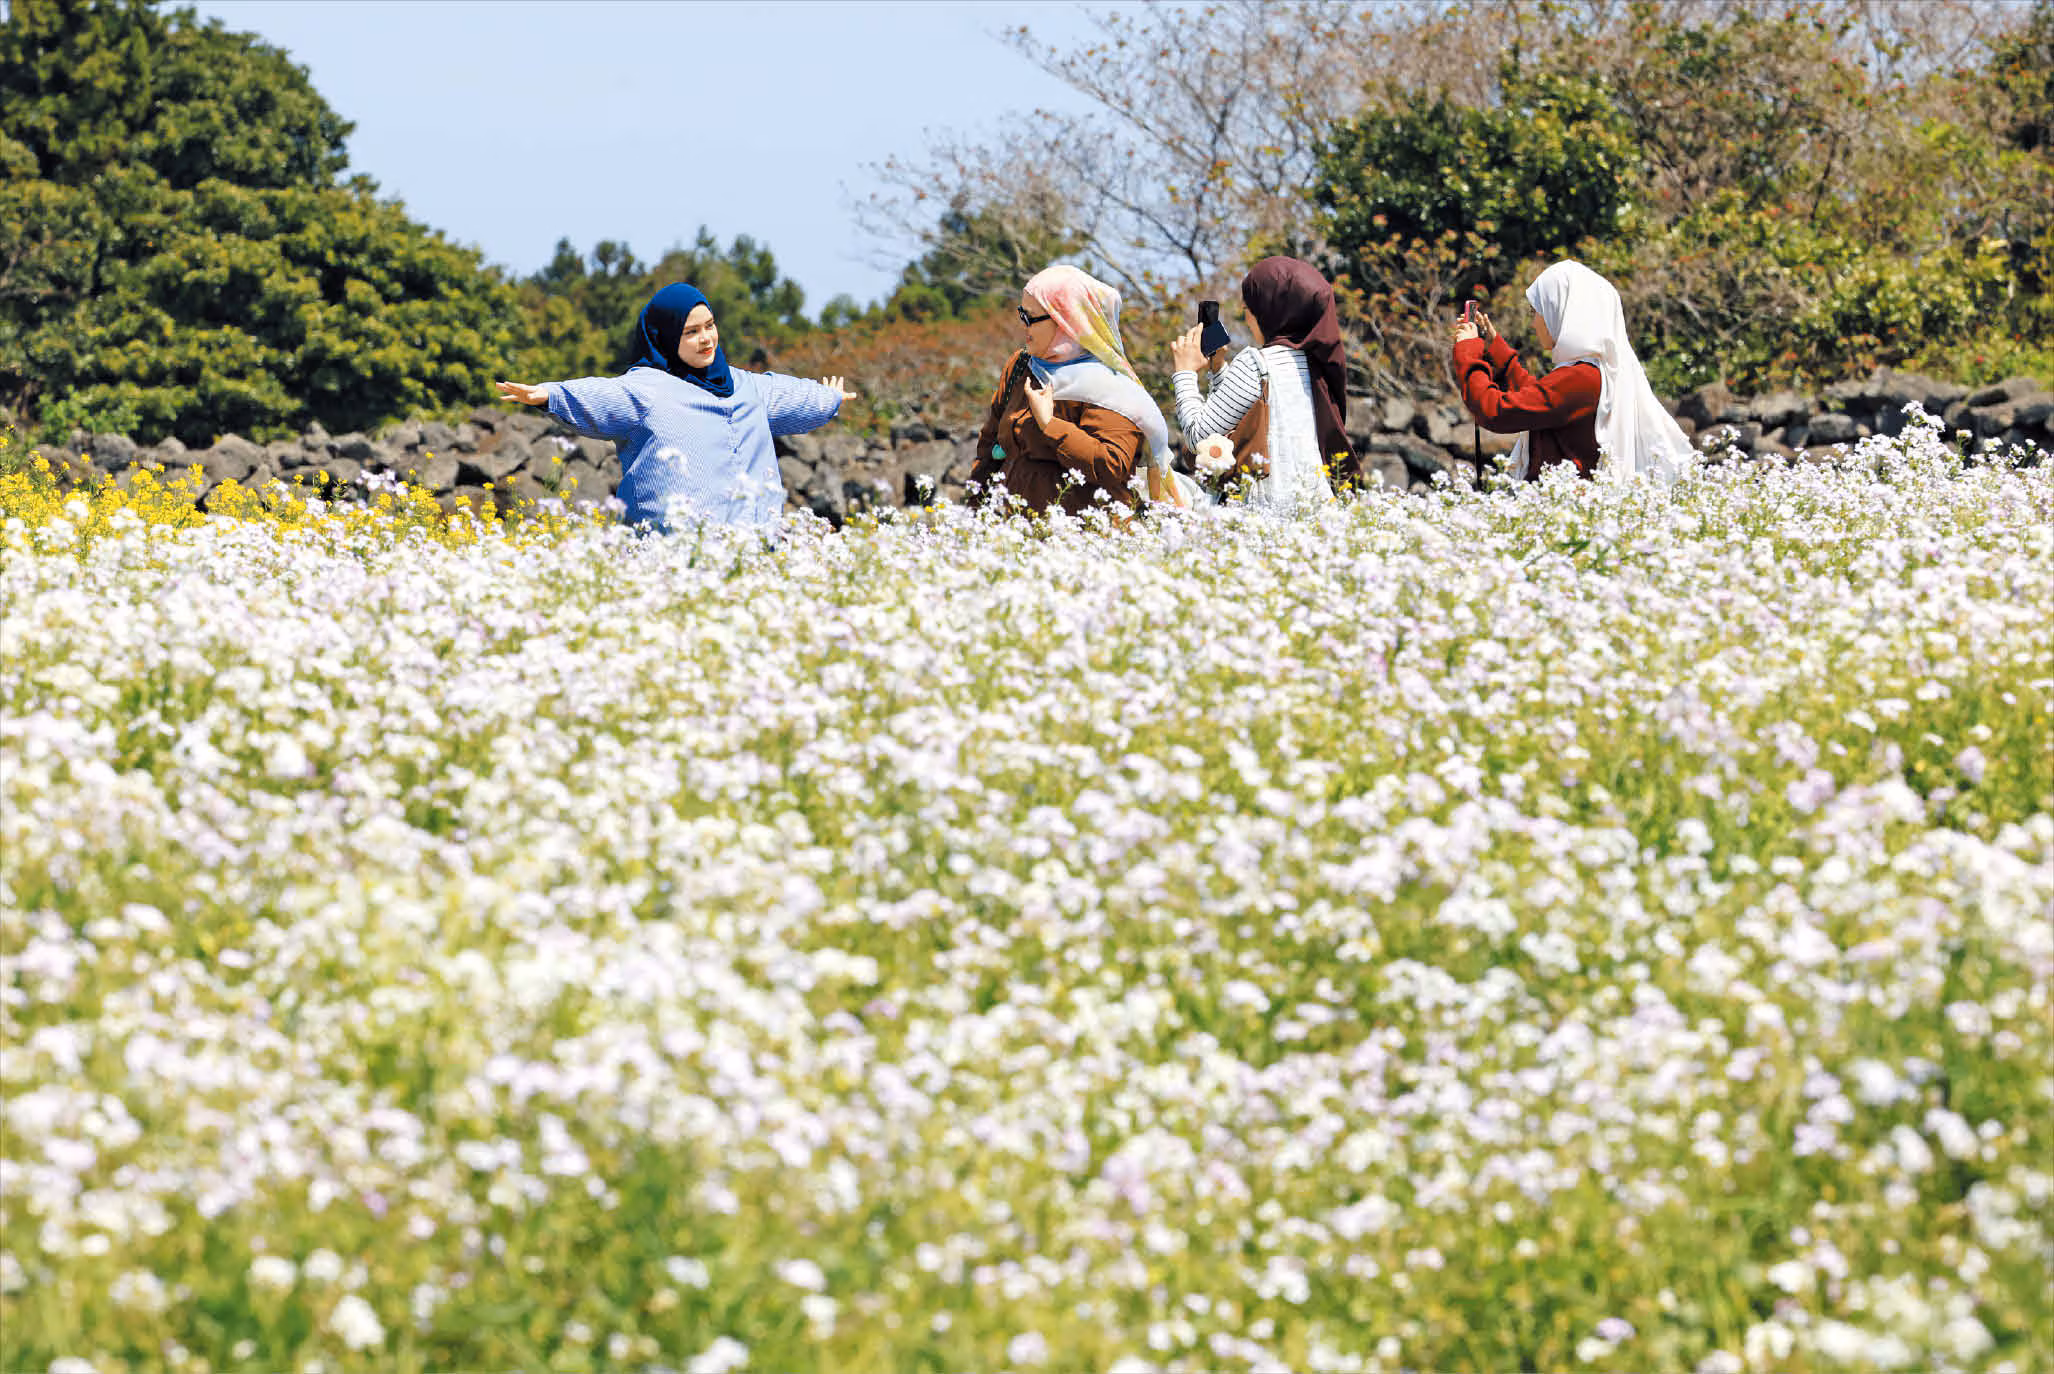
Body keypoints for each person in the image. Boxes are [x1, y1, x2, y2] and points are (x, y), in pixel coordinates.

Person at [495, 282, 855, 530]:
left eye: (710, 326)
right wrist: (548, 395)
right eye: (691, 332)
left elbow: (792, 396)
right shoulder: (648, 390)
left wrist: (830, 398)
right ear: (665, 338)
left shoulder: (747, 387)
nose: (706, 339)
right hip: (671, 560)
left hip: (753, 554)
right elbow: (602, 396)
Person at [968, 264, 1180, 517]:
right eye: (1021, 314)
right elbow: (989, 444)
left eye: (1030, 318)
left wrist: (1050, 425)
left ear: (1064, 319)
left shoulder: (1110, 385)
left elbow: (1112, 466)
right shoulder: (1022, 366)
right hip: (1014, 533)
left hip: (1084, 538)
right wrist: (975, 511)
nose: (1023, 326)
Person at [1452, 260, 1690, 485]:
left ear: (1560, 313)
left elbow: (1496, 411)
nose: (1533, 323)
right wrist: (1497, 350)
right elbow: (1540, 400)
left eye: (1535, 312)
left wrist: (1469, 351)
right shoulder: (1594, 371)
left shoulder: (1579, 379)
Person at [1169, 255, 1358, 511]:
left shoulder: (1256, 362)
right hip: (1316, 510)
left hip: (1263, 513)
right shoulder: (1317, 364)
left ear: (1269, 311)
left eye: (1248, 309)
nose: (1246, 317)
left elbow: (1198, 436)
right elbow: (1252, 409)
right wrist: (1218, 371)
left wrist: (1185, 372)